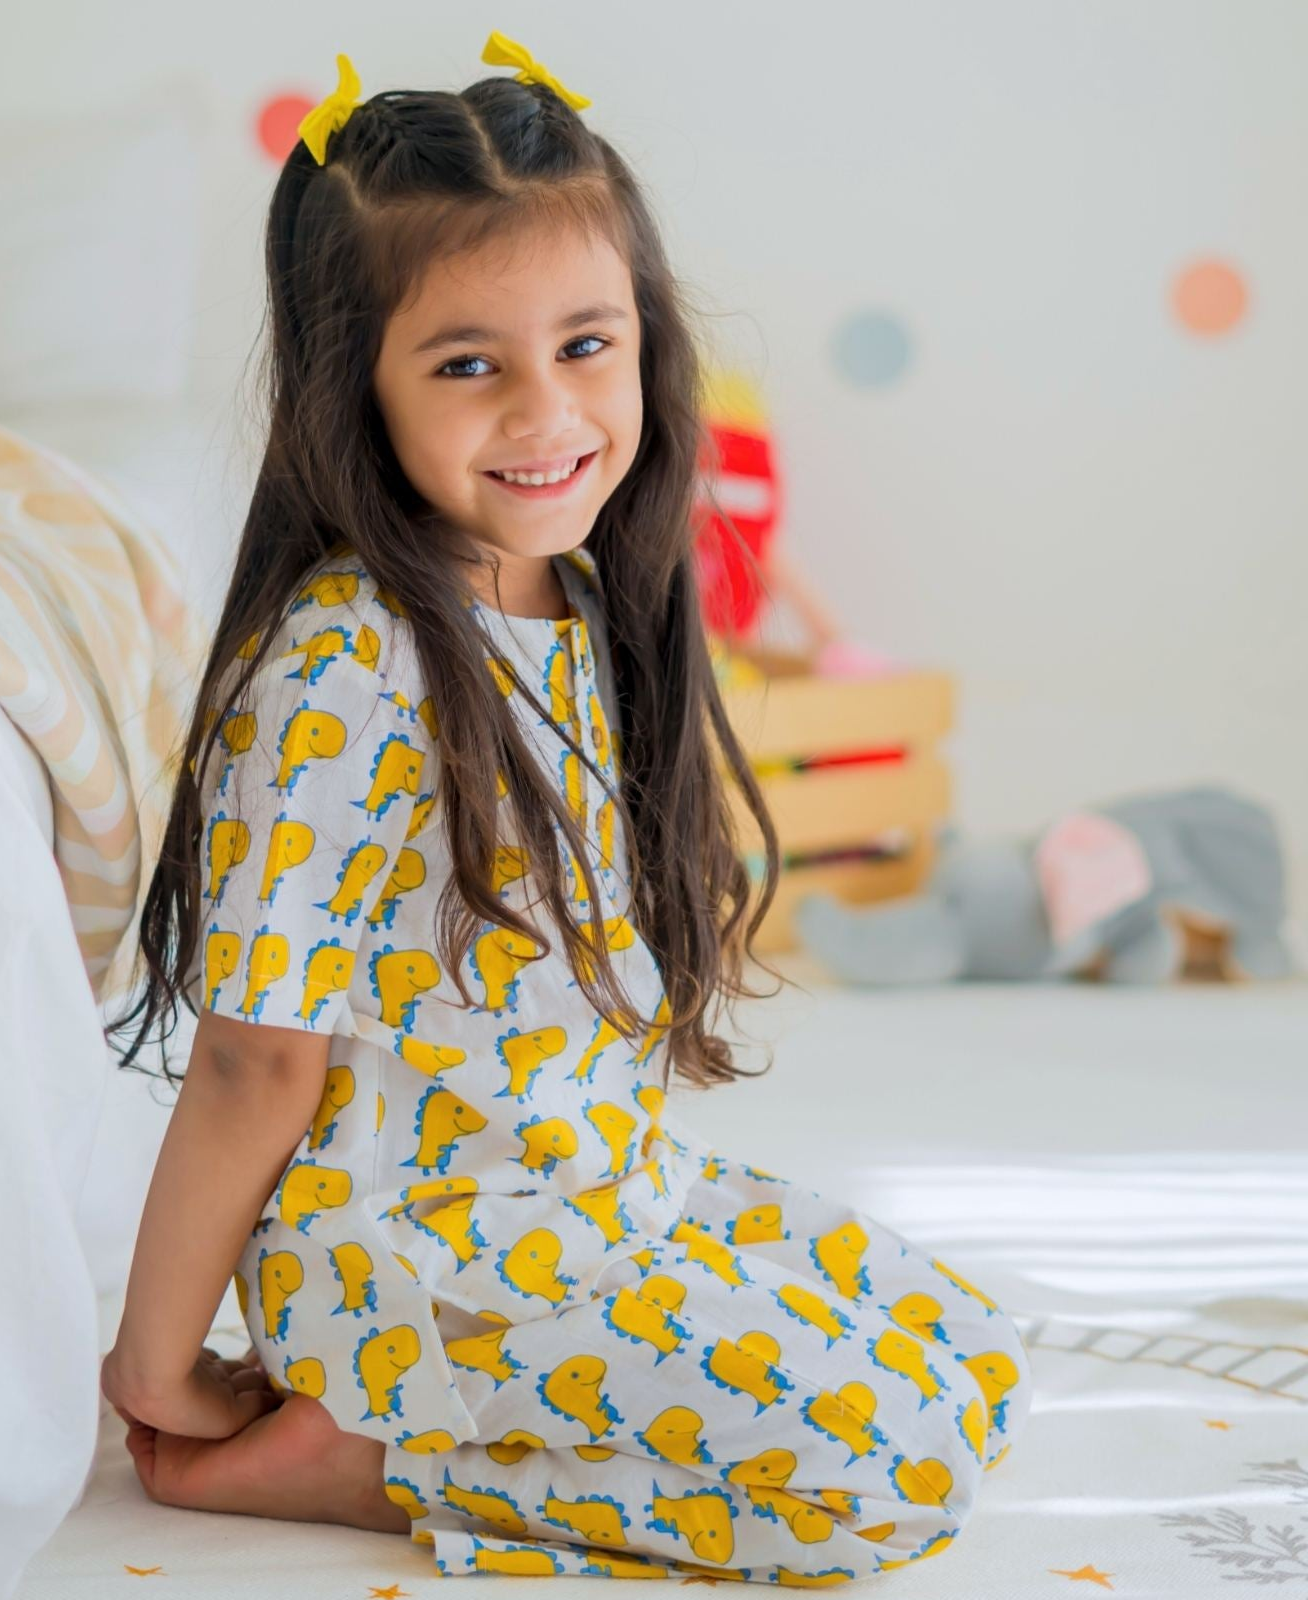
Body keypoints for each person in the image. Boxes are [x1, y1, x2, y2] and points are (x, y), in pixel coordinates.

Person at [97, 31, 1033, 1584]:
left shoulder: (586, 602)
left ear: (646, 344)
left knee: (971, 1356)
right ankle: (375, 1457)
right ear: (359, 385)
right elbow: (256, 1058)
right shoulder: (349, 659)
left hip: (601, 1198)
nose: (547, 413)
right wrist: (158, 1366)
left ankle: (461, 1431)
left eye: (585, 345)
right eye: (470, 363)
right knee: (890, 1472)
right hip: (429, 1264)